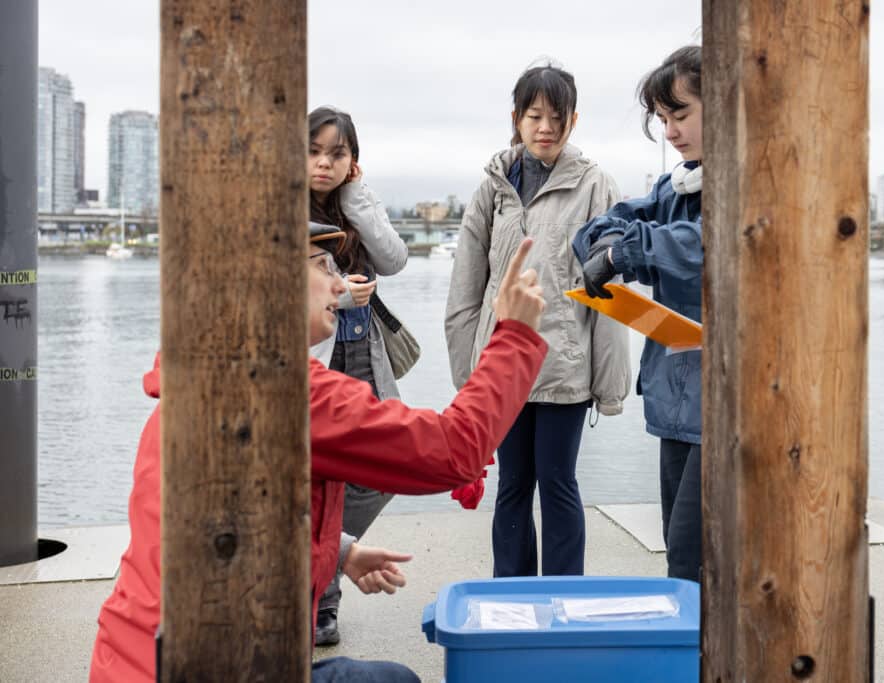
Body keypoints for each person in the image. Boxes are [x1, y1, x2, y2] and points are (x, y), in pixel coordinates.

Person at [89, 224, 549, 683]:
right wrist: (514, 335)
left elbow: (231, 522)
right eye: (323, 265)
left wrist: (341, 551)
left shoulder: (203, 370)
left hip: (134, 661)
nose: (339, 283)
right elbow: (456, 451)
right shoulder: (286, 390)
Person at [445, 62, 630, 578]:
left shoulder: (596, 186)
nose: (545, 127)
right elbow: (466, 287)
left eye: (556, 116)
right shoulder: (493, 188)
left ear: (573, 121)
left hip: (562, 368)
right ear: (516, 119)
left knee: (557, 481)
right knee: (511, 485)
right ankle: (512, 597)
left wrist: (608, 385)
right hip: (501, 368)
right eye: (534, 116)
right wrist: (469, 377)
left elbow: (611, 295)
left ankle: (566, 597)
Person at [572, 46, 705, 582]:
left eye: (682, 114)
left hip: (729, 402)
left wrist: (622, 253)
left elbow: (701, 245)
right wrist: (606, 246)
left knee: (697, 550)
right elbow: (603, 224)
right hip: (678, 391)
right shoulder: (676, 186)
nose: (670, 132)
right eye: (663, 119)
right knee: (679, 542)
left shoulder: (756, 186)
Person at [306, 106, 410, 646]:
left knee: (379, 468)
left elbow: (394, 260)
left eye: (337, 154)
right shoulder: (283, 209)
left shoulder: (352, 205)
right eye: (314, 150)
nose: (324, 163)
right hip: (313, 359)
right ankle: (320, 592)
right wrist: (341, 293)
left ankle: (324, 571)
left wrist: (358, 200)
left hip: (362, 356)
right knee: (313, 477)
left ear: (353, 161)